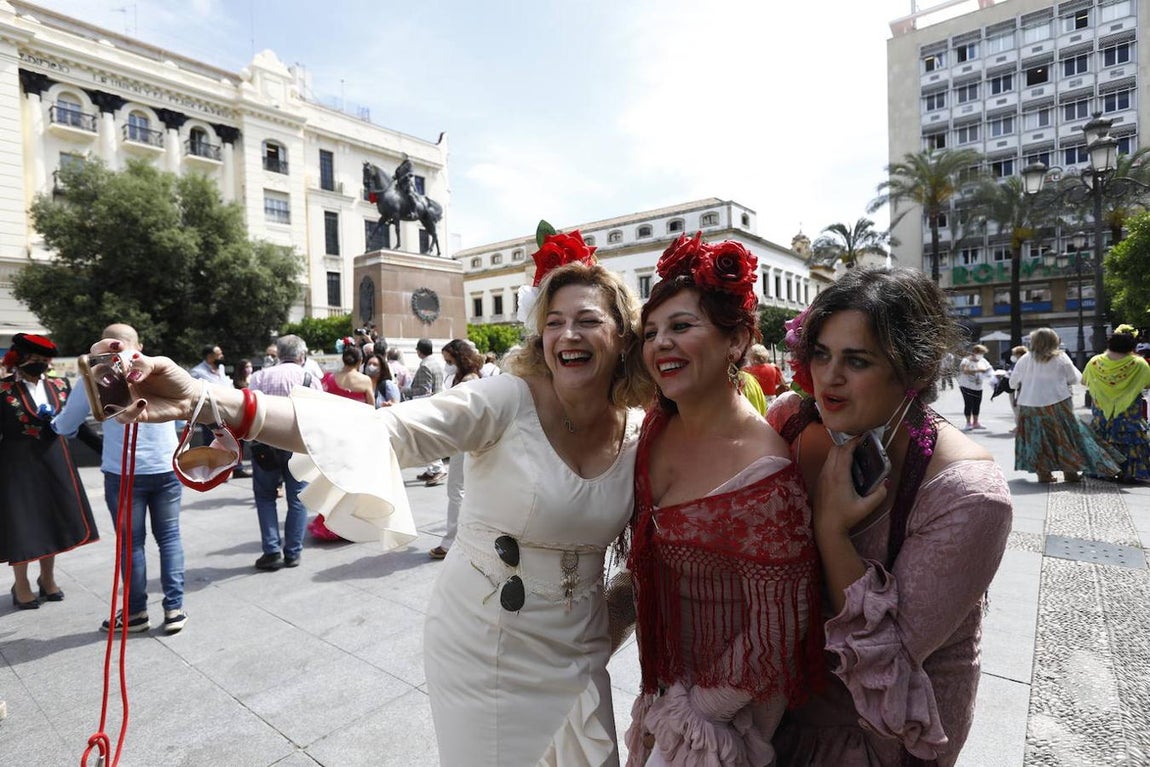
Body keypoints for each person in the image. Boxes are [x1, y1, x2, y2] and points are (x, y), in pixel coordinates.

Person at [89, 228, 654, 765]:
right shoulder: (503, 399)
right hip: (486, 647)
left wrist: (613, 622)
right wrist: (210, 401)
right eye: (553, 322)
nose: (568, 334)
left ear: (623, 335)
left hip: (582, 648)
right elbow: (385, 430)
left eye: (588, 320)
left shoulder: (640, 429)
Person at [766, 268, 1013, 766]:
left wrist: (831, 531)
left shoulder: (967, 495)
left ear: (915, 372)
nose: (828, 377)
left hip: (876, 738)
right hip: (775, 715)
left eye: (856, 360)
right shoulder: (791, 421)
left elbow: (888, 661)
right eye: (821, 353)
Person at [624, 234, 820, 766]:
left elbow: (778, 623)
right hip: (664, 690)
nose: (660, 343)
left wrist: (701, 712)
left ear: (736, 342)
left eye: (681, 327)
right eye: (651, 333)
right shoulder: (657, 428)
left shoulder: (764, 469)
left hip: (723, 720)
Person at [53, 324, 187, 633]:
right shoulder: (159, 367)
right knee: (169, 538)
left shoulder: (97, 374)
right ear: (139, 343)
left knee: (131, 544)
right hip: (166, 467)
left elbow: (66, 425)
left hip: (123, 473)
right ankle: (174, 609)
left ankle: (136, 613)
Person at [1, 333, 99, 609]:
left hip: (55, 459)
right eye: (34, 359)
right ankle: (21, 584)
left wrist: (103, 449)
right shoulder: (3, 390)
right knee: (22, 524)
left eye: (45, 360)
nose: (40, 364)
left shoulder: (60, 385)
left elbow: (76, 424)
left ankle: (48, 579)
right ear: (18, 359)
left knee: (52, 519)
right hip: (15, 464)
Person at [246, 334, 324, 570]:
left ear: (278, 354)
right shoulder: (309, 377)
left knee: (265, 497)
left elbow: (249, 410)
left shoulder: (259, 377)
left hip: (265, 446)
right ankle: (293, 552)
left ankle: (271, 551)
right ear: (301, 356)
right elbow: (320, 413)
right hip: (298, 446)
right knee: (298, 499)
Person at [1009, 328, 1121, 484]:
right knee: (1065, 436)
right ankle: (1070, 472)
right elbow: (1075, 378)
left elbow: (1012, 382)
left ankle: (1044, 474)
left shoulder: (1025, 359)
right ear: (1054, 341)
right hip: (1059, 402)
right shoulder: (1061, 357)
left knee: (1038, 438)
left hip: (1030, 403)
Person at [427, 339, 485, 559]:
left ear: (460, 358)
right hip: (464, 440)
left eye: (449, 360)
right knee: (463, 491)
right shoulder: (464, 378)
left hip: (465, 440)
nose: (447, 365)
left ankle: (451, 540)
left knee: (456, 490)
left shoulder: (469, 380)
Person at [1082, 331, 1150, 483]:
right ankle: (1129, 472)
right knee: (1131, 439)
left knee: (1103, 436)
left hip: (1101, 408)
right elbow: (1147, 383)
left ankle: (1105, 470)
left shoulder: (1095, 361)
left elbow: (1084, 381)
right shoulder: (1139, 363)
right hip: (1129, 409)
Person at [409, 337, 447, 485]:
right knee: (426, 439)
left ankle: (437, 468)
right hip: (435, 404)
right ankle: (432, 469)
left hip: (427, 406)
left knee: (426, 440)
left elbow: (423, 390)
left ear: (419, 351)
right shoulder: (436, 363)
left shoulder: (425, 366)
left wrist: (404, 390)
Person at [956, 343, 991, 430]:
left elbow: (989, 369)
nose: (981, 355)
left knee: (977, 405)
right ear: (975, 352)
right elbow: (964, 370)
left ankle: (976, 422)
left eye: (983, 353)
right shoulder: (966, 360)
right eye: (980, 353)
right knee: (969, 404)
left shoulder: (983, 360)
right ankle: (968, 423)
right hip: (966, 386)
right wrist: (978, 370)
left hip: (978, 386)